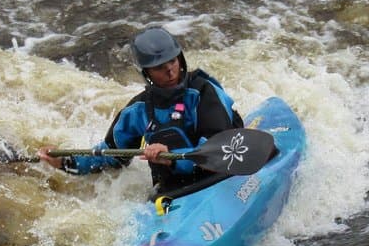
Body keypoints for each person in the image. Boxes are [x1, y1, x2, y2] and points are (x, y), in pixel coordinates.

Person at [37, 26, 244, 195]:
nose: (170, 70)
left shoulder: (204, 92)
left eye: (172, 61)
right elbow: (111, 155)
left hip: (218, 179)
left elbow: (219, 151)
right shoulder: (138, 110)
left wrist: (170, 157)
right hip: (174, 193)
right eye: (159, 67)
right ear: (146, 73)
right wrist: (64, 162)